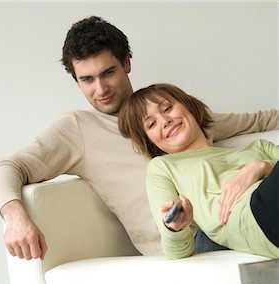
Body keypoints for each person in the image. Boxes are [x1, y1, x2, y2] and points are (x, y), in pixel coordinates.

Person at [0, 16, 279, 261]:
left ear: (126, 63)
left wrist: (259, 165)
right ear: (76, 81)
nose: (101, 89)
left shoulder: (176, 118)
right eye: (87, 79)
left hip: (236, 219)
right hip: (195, 242)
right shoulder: (78, 129)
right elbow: (3, 170)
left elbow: (260, 120)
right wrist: (15, 218)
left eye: (108, 72)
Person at [118, 83, 279, 259]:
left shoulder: (260, 148)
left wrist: (260, 166)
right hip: (255, 216)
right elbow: (177, 253)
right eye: (152, 124)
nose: (165, 121)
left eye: (167, 108)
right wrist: (176, 227)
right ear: (150, 141)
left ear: (188, 105)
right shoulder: (162, 167)